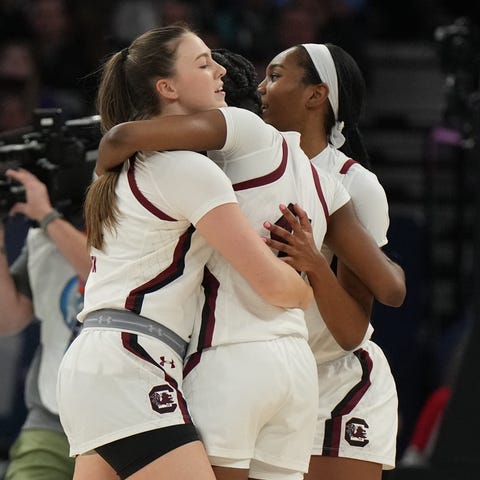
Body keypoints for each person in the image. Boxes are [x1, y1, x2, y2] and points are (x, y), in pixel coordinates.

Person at [94, 45, 406, 480]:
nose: (264, 87)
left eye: (275, 76)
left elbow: (381, 297)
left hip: (239, 358)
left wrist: (103, 181)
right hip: (294, 368)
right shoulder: (318, 180)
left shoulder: (234, 148)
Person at [55, 25, 313, 480]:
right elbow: (274, 285)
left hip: (100, 360)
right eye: (202, 63)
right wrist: (307, 282)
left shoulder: (122, 170)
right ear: (166, 88)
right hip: (132, 362)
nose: (221, 70)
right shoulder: (188, 169)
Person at [257, 42, 402, 480]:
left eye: (276, 75)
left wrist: (314, 264)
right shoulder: (246, 166)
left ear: (316, 95)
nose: (261, 87)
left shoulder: (354, 184)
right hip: (262, 378)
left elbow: (350, 332)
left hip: (333, 381)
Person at [0, 167, 90, 480]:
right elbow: (9, 320)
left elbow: (107, 279)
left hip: (126, 420)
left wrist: (48, 216)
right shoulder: (43, 238)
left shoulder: (138, 222)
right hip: (51, 418)